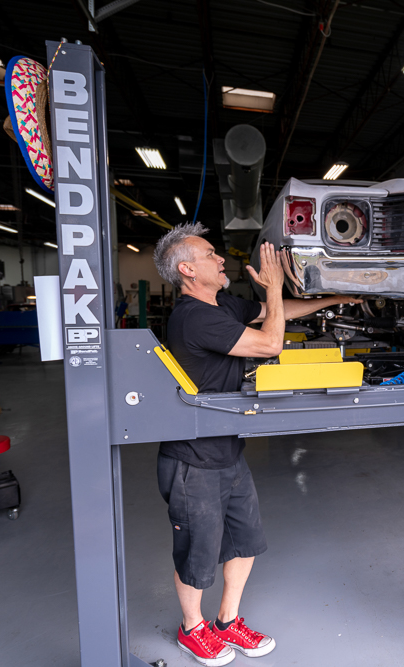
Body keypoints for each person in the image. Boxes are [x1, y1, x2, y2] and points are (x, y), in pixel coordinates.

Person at [152, 223, 359, 666]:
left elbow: (274, 310)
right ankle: (192, 628)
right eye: (210, 254)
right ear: (188, 270)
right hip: (193, 460)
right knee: (197, 553)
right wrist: (275, 286)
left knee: (244, 541)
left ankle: (227, 622)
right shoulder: (194, 317)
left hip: (226, 449)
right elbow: (269, 342)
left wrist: (334, 298)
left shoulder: (221, 305)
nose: (220, 259)